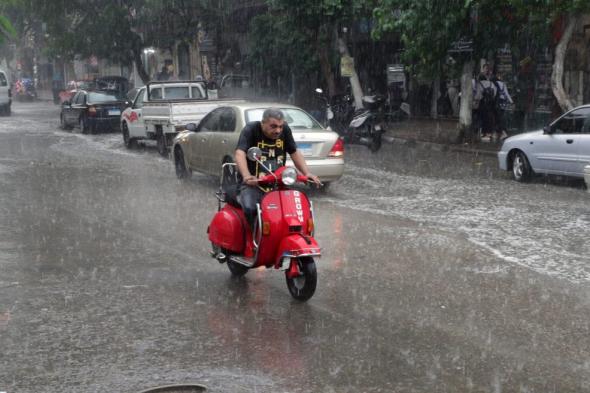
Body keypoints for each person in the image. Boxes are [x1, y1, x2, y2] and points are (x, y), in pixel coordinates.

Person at [235, 108, 321, 231]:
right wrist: (247, 176)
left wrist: (307, 173)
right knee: (251, 208)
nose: (278, 130)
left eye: (280, 126)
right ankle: (255, 241)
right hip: (253, 184)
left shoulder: (285, 130)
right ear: (263, 123)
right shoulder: (251, 129)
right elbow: (240, 153)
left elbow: (294, 152)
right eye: (273, 126)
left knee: (294, 210)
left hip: (278, 184)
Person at [491, 74, 513, 141]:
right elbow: (507, 94)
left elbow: (493, 94)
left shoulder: (493, 84)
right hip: (503, 104)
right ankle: (499, 133)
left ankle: (503, 133)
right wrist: (512, 102)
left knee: (497, 119)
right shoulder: (503, 84)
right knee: (500, 118)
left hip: (496, 103)